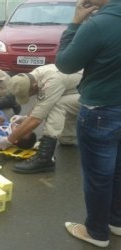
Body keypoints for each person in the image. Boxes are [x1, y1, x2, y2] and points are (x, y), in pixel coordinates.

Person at [55, 0, 121, 247]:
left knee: (99, 177)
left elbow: (65, 64)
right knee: (118, 171)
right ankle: (116, 222)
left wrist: (74, 23)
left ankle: (96, 232)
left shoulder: (98, 24)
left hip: (101, 110)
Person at [0, 64, 83, 174]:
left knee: (57, 104)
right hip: (79, 89)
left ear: (34, 86)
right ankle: (68, 138)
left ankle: (45, 158)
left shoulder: (52, 81)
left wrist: (8, 139)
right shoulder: (32, 76)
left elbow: (37, 118)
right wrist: (25, 117)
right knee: (60, 103)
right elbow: (42, 100)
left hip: (98, 96)